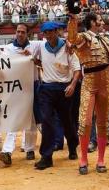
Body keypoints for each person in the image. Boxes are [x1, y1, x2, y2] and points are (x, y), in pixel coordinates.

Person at [68, 13, 109, 174]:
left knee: (102, 122)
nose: (102, 22)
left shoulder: (104, 40)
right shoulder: (84, 37)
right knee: (86, 121)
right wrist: (73, 20)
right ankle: (83, 159)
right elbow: (73, 38)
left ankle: (101, 160)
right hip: (89, 82)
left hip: (105, 84)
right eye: (100, 20)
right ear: (92, 23)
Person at [34, 22, 81, 170]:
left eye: (50, 32)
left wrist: (73, 85)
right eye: (45, 33)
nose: (48, 35)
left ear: (56, 32)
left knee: (67, 121)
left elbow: (77, 69)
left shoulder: (68, 47)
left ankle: (72, 146)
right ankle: (46, 156)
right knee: (47, 121)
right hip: (47, 89)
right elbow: (32, 57)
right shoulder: (41, 47)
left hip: (64, 88)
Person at [0, 23, 38, 166]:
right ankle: (7, 151)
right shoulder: (8, 49)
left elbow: (41, 63)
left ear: (28, 34)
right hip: (14, 87)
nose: (20, 34)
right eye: (18, 31)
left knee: (32, 120)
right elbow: (0, 62)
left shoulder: (35, 47)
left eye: (22, 32)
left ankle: (30, 148)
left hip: (32, 86)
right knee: (13, 119)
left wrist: (32, 57)